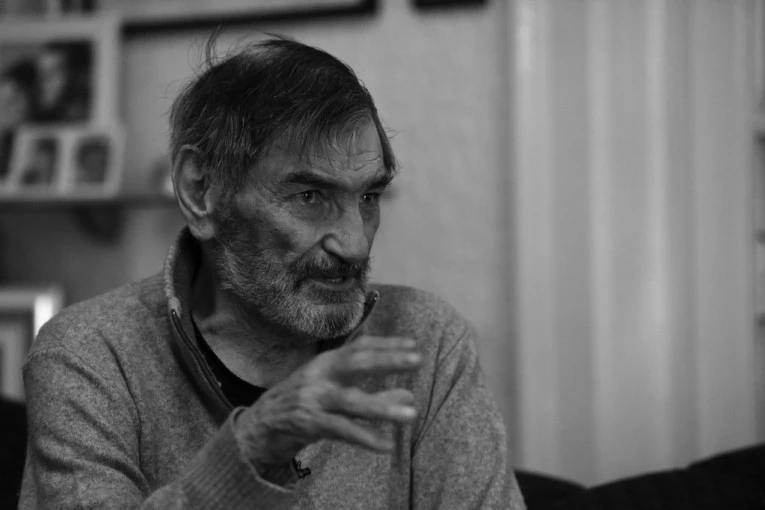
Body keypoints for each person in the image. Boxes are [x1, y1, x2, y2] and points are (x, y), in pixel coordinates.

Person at [20, 37, 526, 509]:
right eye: (310, 196)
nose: (354, 245)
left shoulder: (426, 341)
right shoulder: (92, 356)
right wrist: (251, 450)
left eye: (369, 197)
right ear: (200, 191)